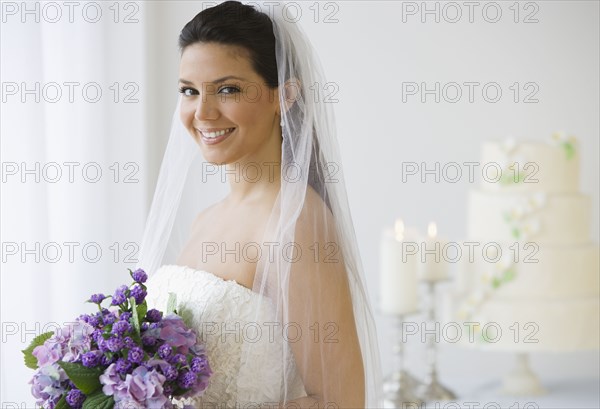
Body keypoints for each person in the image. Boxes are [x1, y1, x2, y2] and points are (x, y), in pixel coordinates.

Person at [140, 1, 384, 407]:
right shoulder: (205, 220)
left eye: (228, 89)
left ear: (283, 96)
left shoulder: (295, 223)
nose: (203, 112)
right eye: (189, 91)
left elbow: (342, 400)